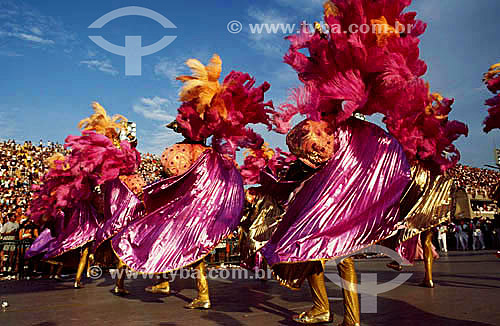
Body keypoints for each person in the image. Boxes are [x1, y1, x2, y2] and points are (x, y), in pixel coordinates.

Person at [111, 54, 273, 309]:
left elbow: (175, 170)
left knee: (159, 236)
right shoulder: (213, 146)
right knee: (182, 239)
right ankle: (179, 286)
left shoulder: (201, 146)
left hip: (197, 195)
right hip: (203, 195)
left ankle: (198, 293)